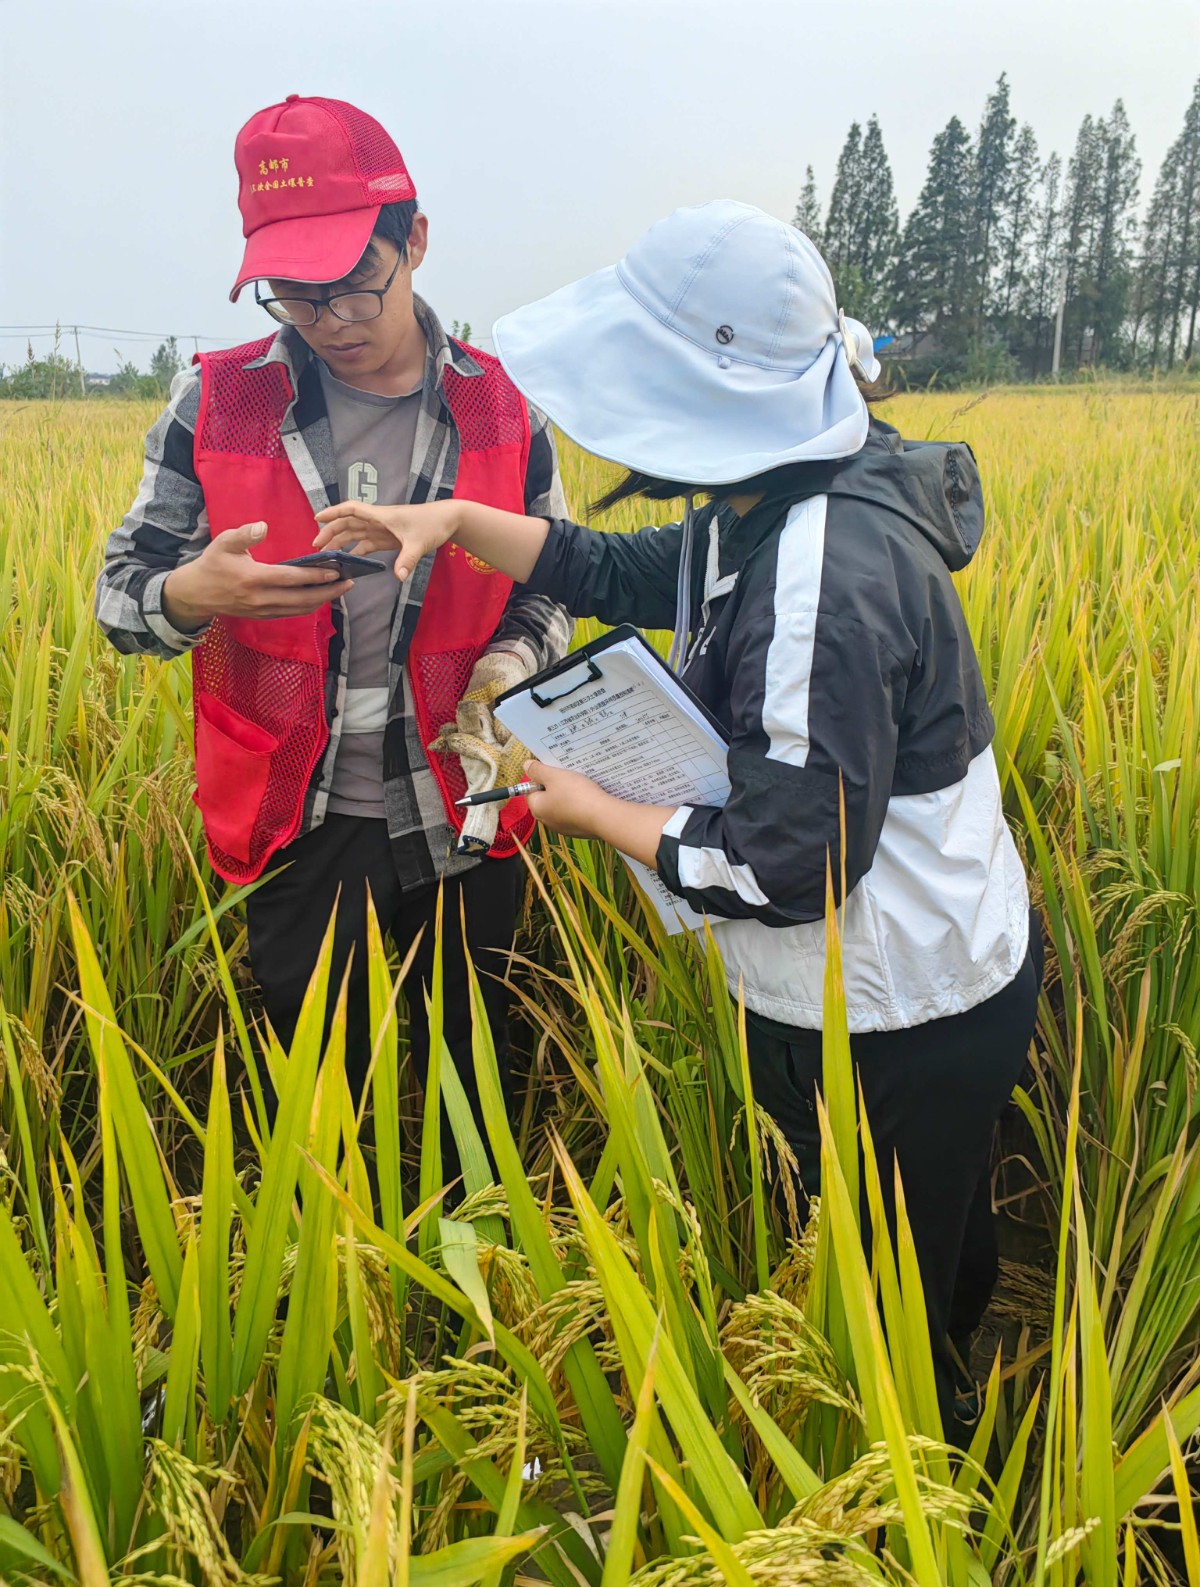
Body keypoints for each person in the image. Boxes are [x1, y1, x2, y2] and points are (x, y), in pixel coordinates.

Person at [310, 200, 1044, 1422]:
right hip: (867, 968)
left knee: (901, 1280)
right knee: (896, 1232)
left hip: (900, 996)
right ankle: (926, 1400)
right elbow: (629, 570)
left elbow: (795, 865)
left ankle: (936, 1457)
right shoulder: (779, 487)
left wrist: (589, 806)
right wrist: (452, 522)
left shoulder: (827, 571)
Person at [95, 95, 572, 1144]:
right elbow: (117, 592)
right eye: (297, 297)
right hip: (296, 821)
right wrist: (188, 597)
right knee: (315, 1122)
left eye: (358, 282)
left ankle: (471, 1296)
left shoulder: (503, 407)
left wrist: (503, 670)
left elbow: (555, 585)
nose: (335, 320)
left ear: (417, 240)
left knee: (472, 1106)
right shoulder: (215, 401)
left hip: (467, 810)